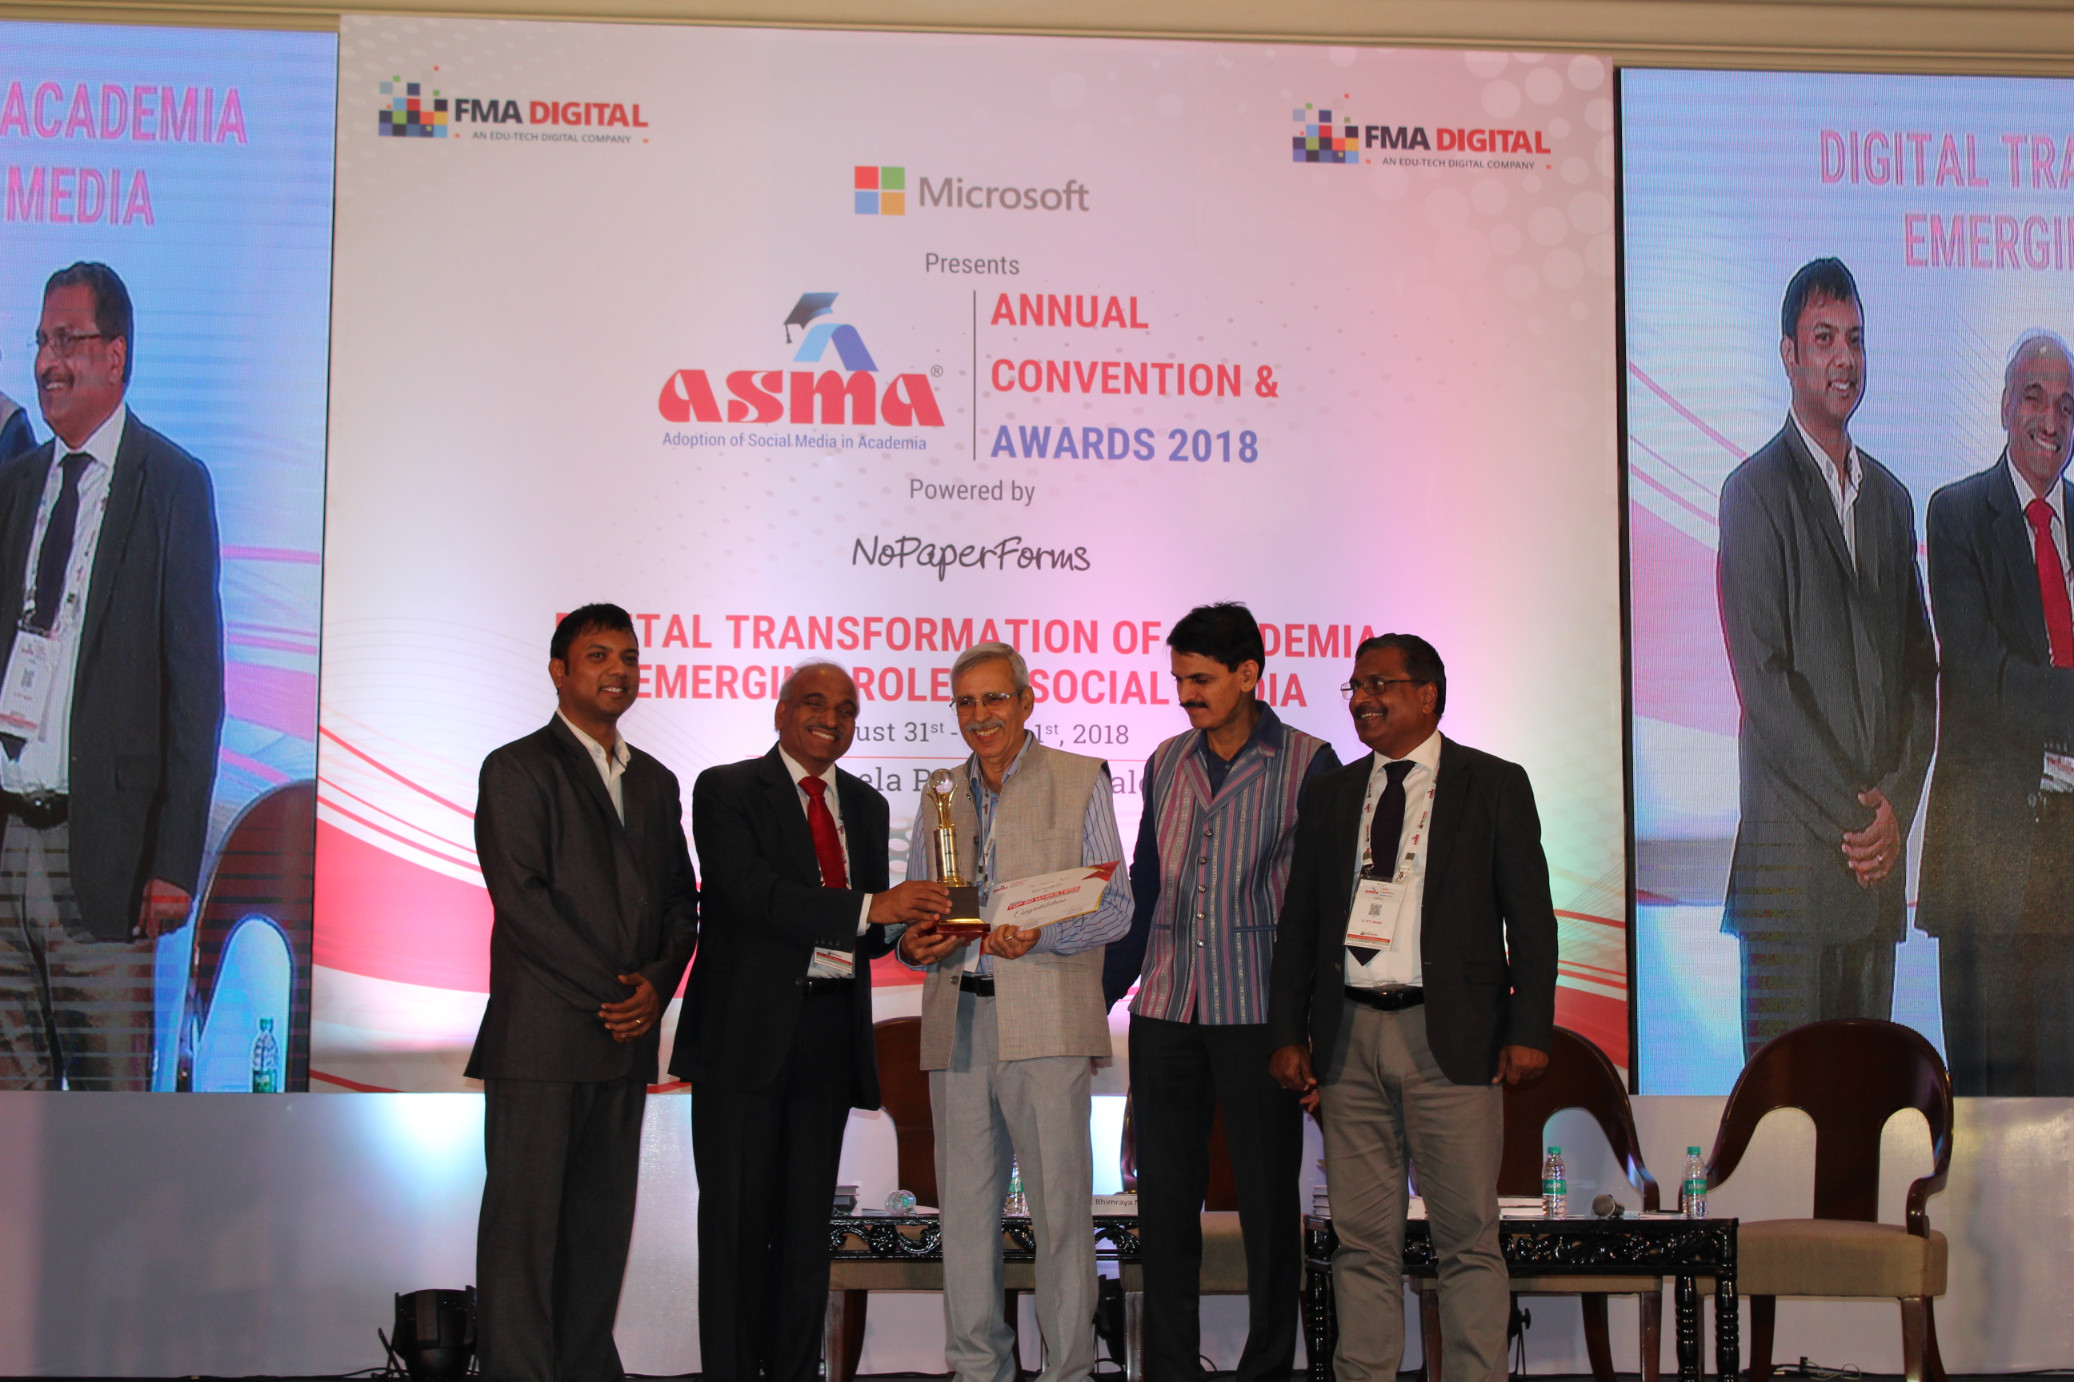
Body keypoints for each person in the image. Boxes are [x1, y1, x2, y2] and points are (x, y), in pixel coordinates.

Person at [1265, 634, 1556, 1382]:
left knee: (1467, 1239)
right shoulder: (1332, 792)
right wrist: (1287, 1031)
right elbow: (1301, 921)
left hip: (1450, 1036)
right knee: (1362, 1241)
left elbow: (1531, 918)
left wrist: (1529, 1029)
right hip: (1348, 1036)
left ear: (1427, 695)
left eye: (1379, 684)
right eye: (1355, 687)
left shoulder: (1493, 783)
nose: (1362, 699)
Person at [671, 660, 949, 1382]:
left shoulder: (866, 804)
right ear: (781, 712)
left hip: (828, 1039)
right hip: (744, 1044)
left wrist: (908, 938)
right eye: (815, 703)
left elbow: (867, 930)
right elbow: (756, 895)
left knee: (805, 1240)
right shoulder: (726, 789)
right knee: (735, 1234)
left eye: (847, 709)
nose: (831, 719)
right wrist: (875, 909)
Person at [1101, 602, 1338, 1382]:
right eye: (1179, 679)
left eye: (1201, 679)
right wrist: (1100, 994)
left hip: (1260, 1015)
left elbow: (1323, 907)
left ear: (1248, 674)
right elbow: (1145, 889)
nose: (1186, 694)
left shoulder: (1309, 763)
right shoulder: (1166, 760)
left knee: (1268, 1202)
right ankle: (1171, 1367)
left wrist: (1312, 1028)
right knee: (1165, 1203)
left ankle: (1267, 1366)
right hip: (1167, 1011)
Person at [0, 262, 222, 1091]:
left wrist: (175, 861)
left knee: (107, 1121)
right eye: (40, 341)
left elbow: (195, 693)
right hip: (8, 841)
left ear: (116, 355)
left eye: (67, 340)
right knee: (13, 1117)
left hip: (109, 856)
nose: (46, 362)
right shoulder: (14, 485)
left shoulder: (171, 484)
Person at [468, 604, 699, 1382]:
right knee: (524, 1240)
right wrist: (619, 993)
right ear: (559, 671)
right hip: (542, 1041)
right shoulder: (516, 767)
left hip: (624, 1042)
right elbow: (523, 902)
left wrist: (657, 987)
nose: (617, 670)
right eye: (598, 655)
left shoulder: (656, 780)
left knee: (599, 1237)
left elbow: (681, 904)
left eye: (628, 657)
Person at [1715, 257, 1937, 1059]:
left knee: (1863, 1113)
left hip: (1872, 886)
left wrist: (1896, 808)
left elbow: (1920, 676)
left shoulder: (1891, 500)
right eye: (1824, 339)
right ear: (1788, 354)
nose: (1845, 358)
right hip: (1794, 883)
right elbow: (1765, 685)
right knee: (1784, 1118)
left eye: (1856, 339)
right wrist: (1861, 820)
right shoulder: (1753, 493)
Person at [897, 641, 1133, 1382]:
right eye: (966, 702)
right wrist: (916, 942)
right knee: (966, 1221)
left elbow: (1117, 909)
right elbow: (919, 913)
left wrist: (1043, 934)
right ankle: (977, 1371)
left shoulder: (1080, 777)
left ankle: (1069, 1371)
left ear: (1026, 702)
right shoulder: (941, 791)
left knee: (1061, 1216)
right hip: (958, 1021)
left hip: (1048, 1020)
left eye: (994, 698)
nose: (980, 716)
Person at [1921, 331, 2074, 1095]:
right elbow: (1982, 681)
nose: (2051, 420)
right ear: (2005, 405)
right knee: (1991, 1115)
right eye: (2035, 398)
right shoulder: (1956, 515)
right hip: (1990, 863)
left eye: (2067, 405)